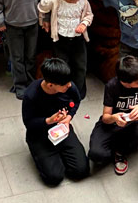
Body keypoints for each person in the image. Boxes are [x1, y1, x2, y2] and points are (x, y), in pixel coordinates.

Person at [88, 55, 138, 175]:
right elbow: (105, 117)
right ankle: (114, 146)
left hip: (132, 124)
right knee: (96, 155)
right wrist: (114, 118)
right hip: (112, 124)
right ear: (125, 82)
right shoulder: (112, 86)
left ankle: (119, 153)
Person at [21, 58, 90, 186]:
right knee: (54, 178)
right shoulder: (31, 95)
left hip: (61, 129)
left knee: (81, 170)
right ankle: (45, 155)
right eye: (65, 84)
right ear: (50, 85)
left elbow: (76, 101)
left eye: (69, 82)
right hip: (39, 134)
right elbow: (29, 123)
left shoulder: (69, 86)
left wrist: (68, 117)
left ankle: (60, 156)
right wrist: (48, 120)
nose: (69, 85)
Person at [38, 0, 93, 98]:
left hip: (78, 40)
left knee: (80, 66)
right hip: (60, 40)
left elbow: (89, 15)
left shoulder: (83, 2)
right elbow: (42, 8)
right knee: (62, 67)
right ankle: (63, 90)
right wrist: (44, 18)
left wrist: (84, 24)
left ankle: (78, 91)